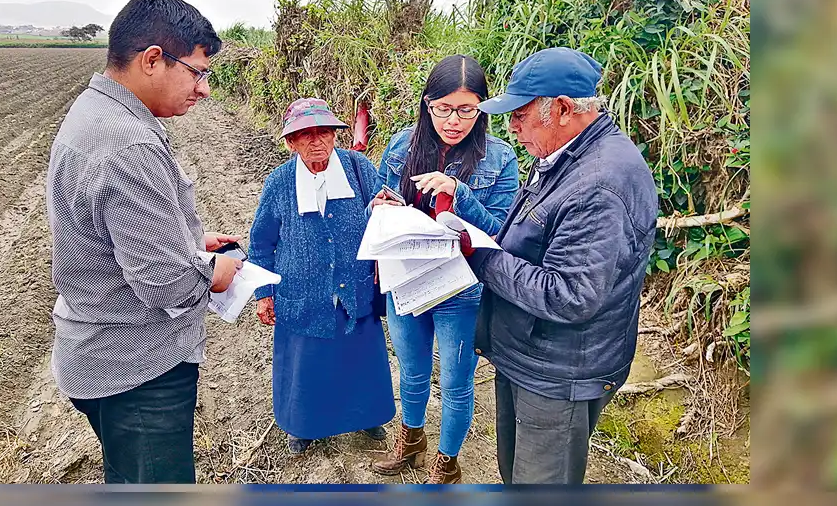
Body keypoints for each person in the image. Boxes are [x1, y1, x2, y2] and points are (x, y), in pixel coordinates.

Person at [45, 0, 244, 484]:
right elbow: (166, 283)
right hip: (138, 371)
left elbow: (113, 230)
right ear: (153, 59)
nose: (204, 90)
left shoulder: (96, 113)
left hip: (102, 355)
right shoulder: (127, 143)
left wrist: (185, 239)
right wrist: (215, 273)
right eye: (197, 73)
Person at [468, 47, 659, 484]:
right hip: (530, 356)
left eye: (520, 115)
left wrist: (482, 258)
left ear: (563, 109)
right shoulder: (565, 156)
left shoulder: (600, 183)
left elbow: (570, 294)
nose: (512, 127)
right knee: (516, 474)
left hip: (558, 372)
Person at [369, 55, 519, 484]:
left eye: (467, 110)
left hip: (462, 288)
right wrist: (380, 206)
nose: (454, 121)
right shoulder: (402, 146)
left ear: (482, 108)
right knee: (412, 370)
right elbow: (379, 205)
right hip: (406, 278)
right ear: (427, 104)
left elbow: (502, 232)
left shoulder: (499, 157)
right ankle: (411, 441)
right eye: (444, 108)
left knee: (455, 381)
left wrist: (460, 193)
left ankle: (447, 463)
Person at [249, 97, 396, 455]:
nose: (317, 141)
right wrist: (264, 292)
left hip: (354, 288)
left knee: (359, 359)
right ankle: (305, 426)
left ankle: (366, 417)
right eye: (306, 134)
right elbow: (261, 241)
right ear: (291, 142)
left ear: (335, 135)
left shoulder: (358, 168)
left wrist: (383, 207)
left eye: (324, 132)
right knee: (307, 366)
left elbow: (384, 210)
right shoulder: (280, 182)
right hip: (302, 293)